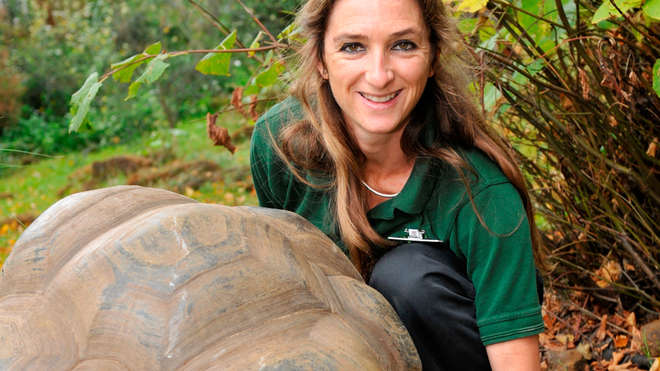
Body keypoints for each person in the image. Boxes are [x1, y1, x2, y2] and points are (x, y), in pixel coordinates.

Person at [249, 0, 545, 369]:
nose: (379, 75)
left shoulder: (482, 193)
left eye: (403, 45)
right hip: (338, 354)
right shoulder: (281, 145)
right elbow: (282, 297)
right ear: (321, 60)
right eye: (352, 46)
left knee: (407, 278)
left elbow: (514, 362)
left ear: (433, 57)